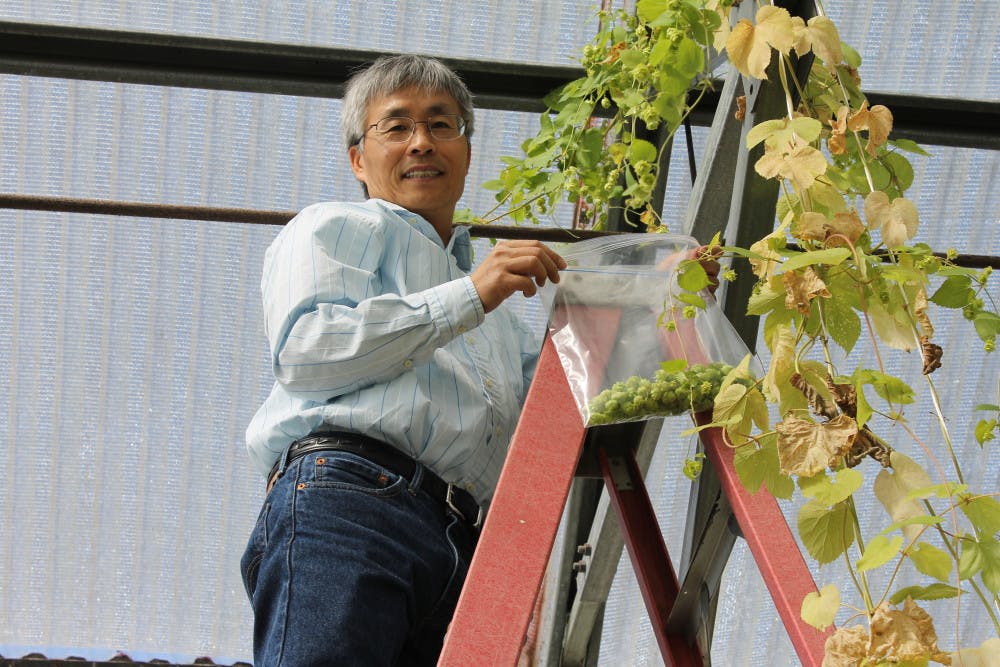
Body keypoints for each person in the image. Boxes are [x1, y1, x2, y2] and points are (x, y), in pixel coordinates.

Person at [240, 54, 720, 666]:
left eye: (442, 125)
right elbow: (309, 350)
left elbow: (571, 403)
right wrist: (471, 295)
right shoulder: (335, 226)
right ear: (358, 158)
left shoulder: (492, 317)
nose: (421, 143)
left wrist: (665, 302)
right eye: (397, 126)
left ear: (466, 152)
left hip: (463, 539)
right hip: (352, 499)